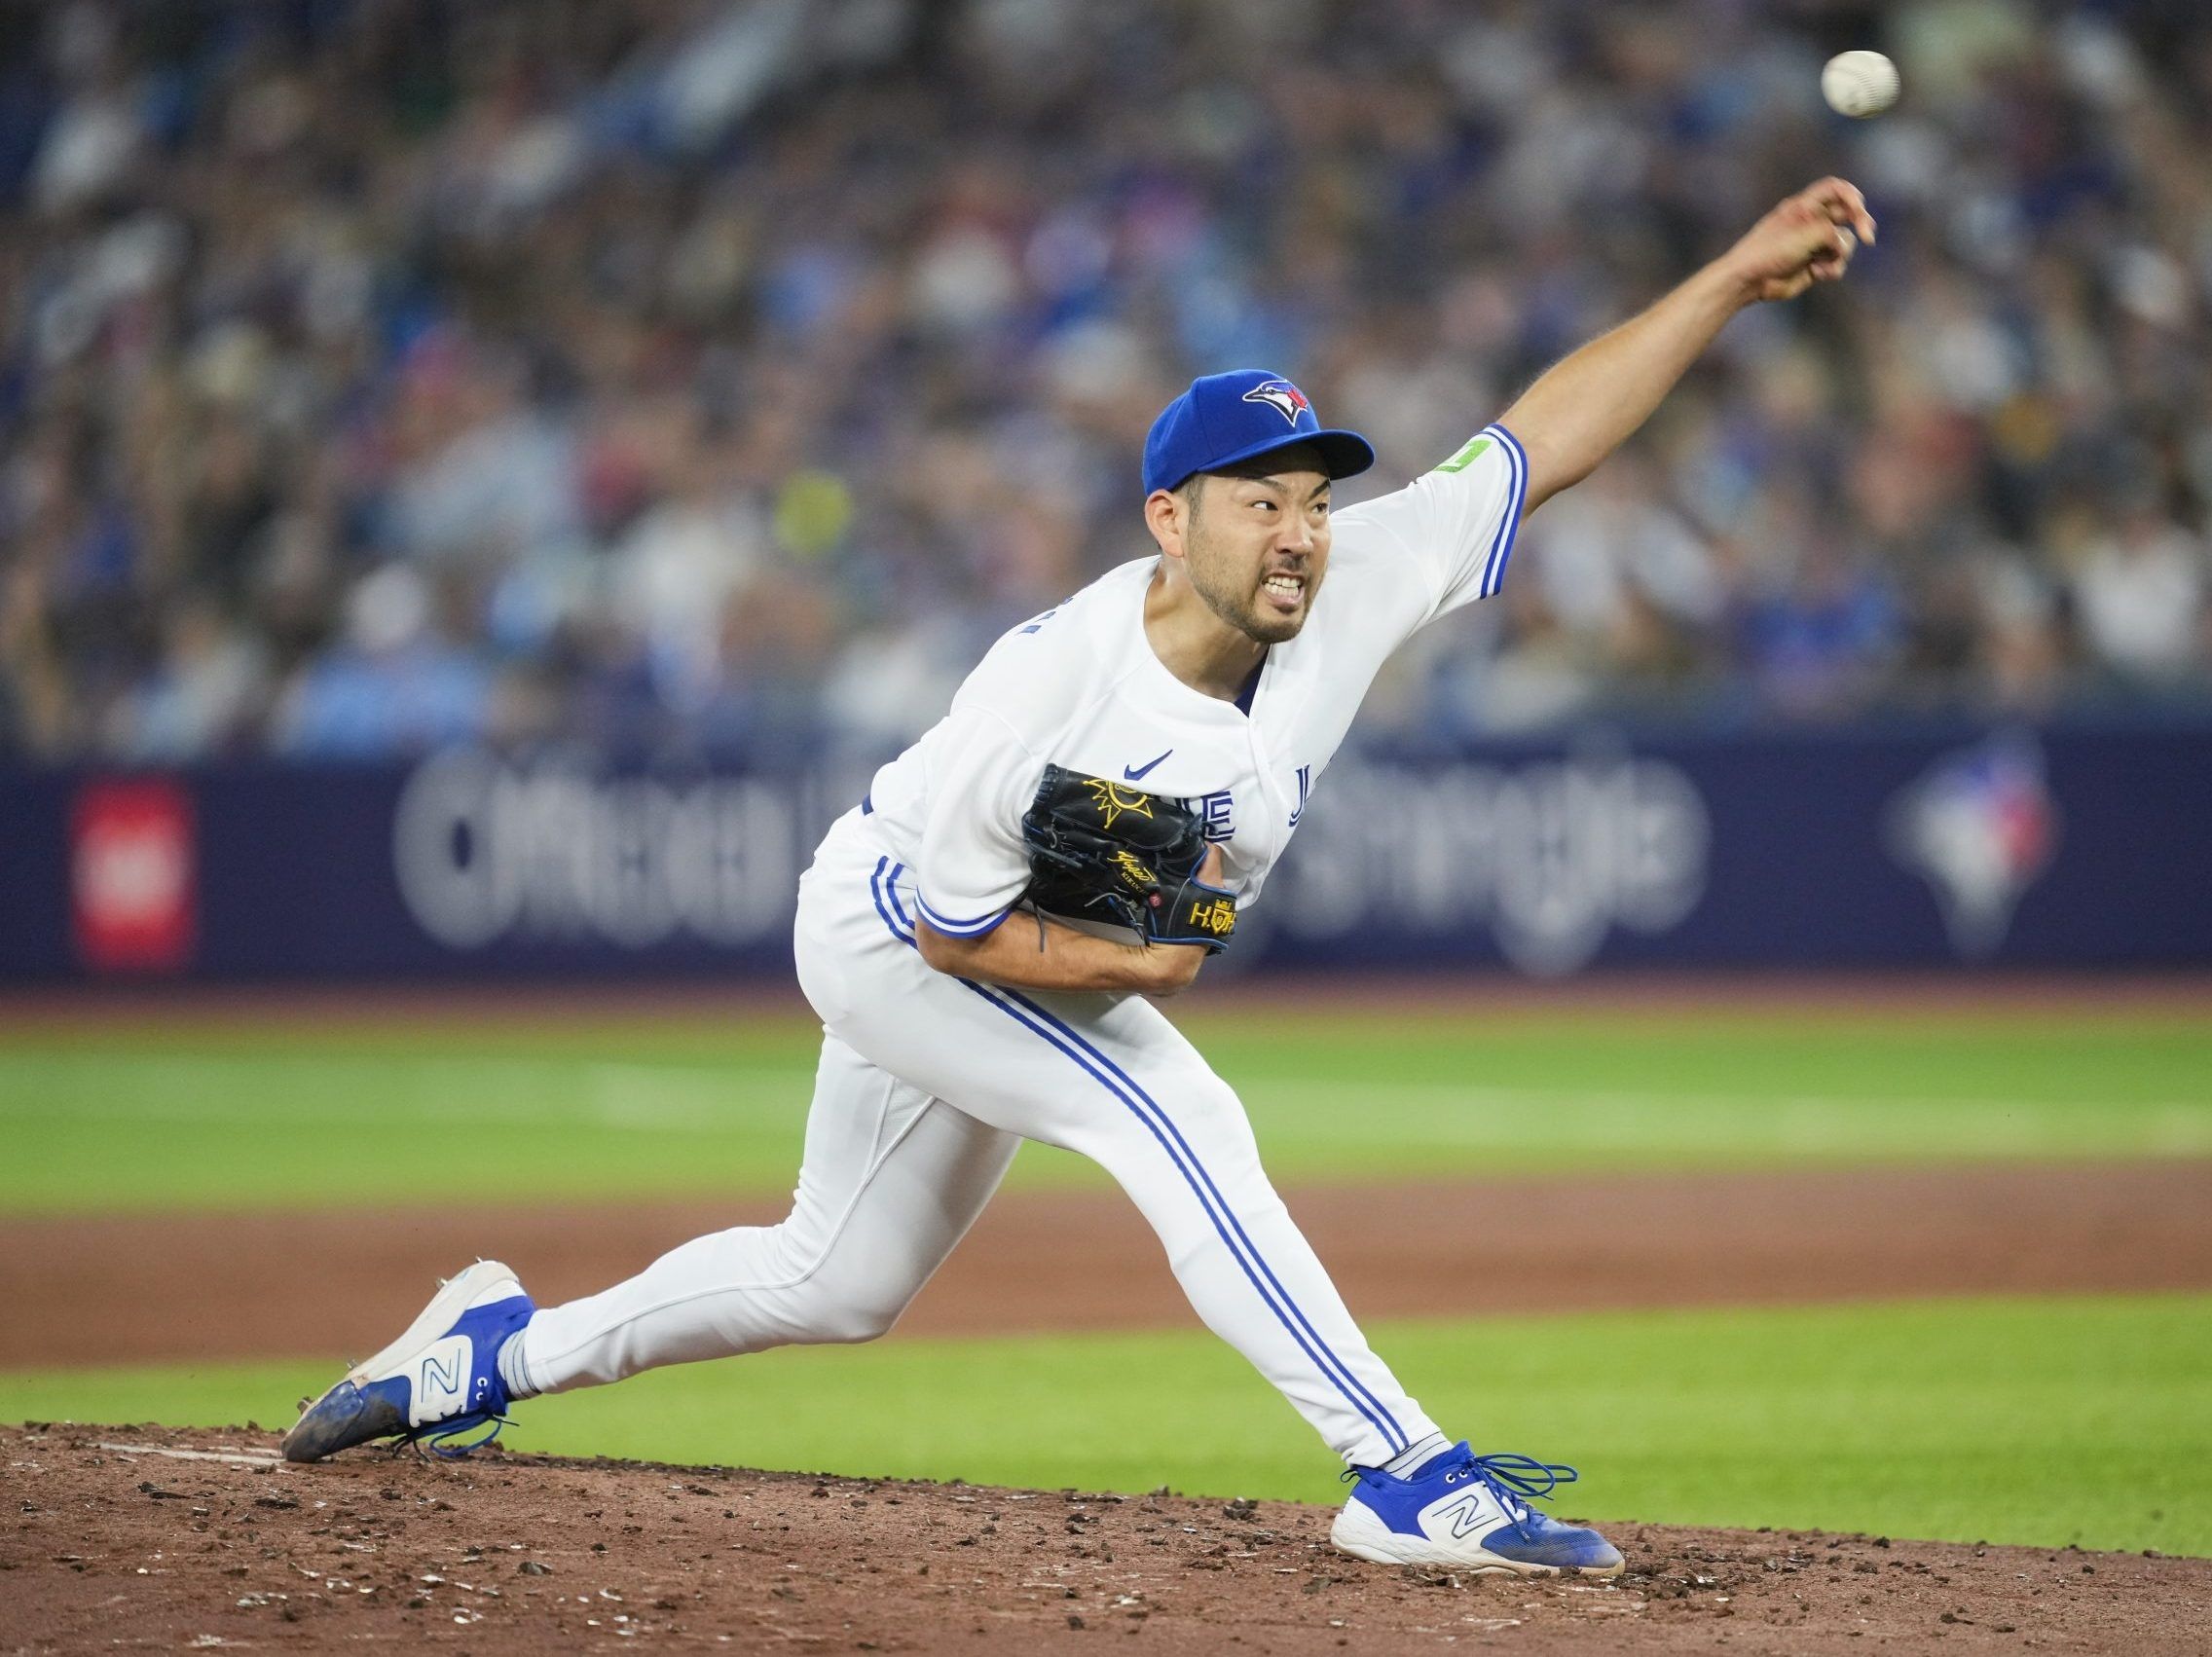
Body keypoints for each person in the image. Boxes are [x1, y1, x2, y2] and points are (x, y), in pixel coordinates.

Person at [284, 178, 1877, 1576]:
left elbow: (1541, 440)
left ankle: (486, 1351)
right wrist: (1131, 969)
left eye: (1314, 498)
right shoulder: (1042, 697)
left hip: (992, 939)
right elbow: (949, 923)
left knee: (832, 1280)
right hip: (900, 931)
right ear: (1168, 522)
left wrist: (1733, 277)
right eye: (1265, 499)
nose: (1303, 534)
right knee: (1175, 1113)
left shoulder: (1352, 580)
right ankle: (1404, 1469)